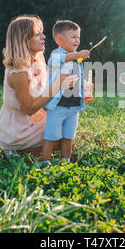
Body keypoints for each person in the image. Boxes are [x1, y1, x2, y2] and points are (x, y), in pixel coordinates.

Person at [0, 15, 78, 158]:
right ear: (23, 39)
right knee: (64, 139)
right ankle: (16, 149)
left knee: (68, 133)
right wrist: (57, 85)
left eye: (42, 32)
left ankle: (29, 150)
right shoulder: (18, 71)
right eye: (37, 34)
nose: (44, 37)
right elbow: (29, 109)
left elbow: (44, 97)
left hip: (35, 119)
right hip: (18, 128)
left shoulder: (37, 62)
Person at [41, 20, 91, 165]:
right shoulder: (56, 55)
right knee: (51, 135)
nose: (77, 40)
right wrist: (77, 55)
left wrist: (86, 88)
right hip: (57, 106)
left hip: (73, 106)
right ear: (59, 39)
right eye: (73, 37)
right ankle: (45, 161)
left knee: (69, 136)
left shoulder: (77, 58)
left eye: (78, 37)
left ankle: (65, 161)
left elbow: (77, 79)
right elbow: (62, 60)